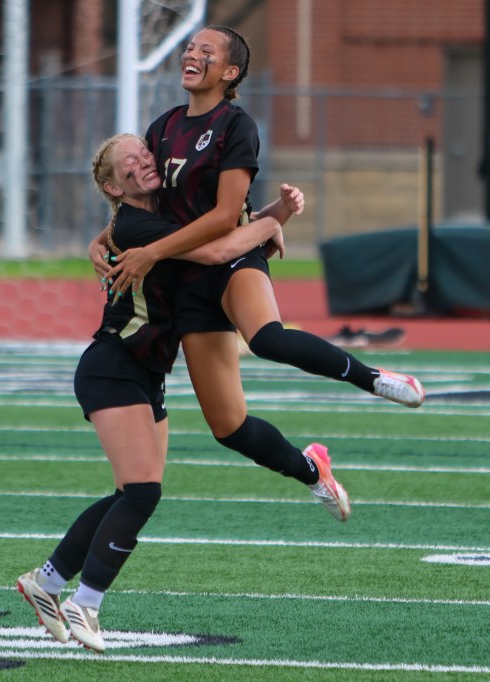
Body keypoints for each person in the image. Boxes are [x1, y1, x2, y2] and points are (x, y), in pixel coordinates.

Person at [94, 25, 424, 516]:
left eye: (206, 51)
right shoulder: (163, 128)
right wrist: (102, 237)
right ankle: (312, 469)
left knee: (267, 338)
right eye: (190, 47)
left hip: (232, 256)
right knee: (228, 427)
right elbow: (141, 198)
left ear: (230, 73)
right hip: (187, 281)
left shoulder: (236, 125)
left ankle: (373, 378)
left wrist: (164, 248)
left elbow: (226, 216)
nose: (191, 54)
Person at [17, 133, 303, 654]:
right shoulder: (137, 224)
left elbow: (219, 231)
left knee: (132, 493)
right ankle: (86, 602)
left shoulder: (165, 212)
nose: (143, 161)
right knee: (143, 491)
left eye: (144, 152)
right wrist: (269, 224)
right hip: (114, 367)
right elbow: (217, 247)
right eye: (129, 161)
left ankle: (47, 582)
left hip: (146, 373)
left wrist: (274, 213)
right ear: (113, 187)